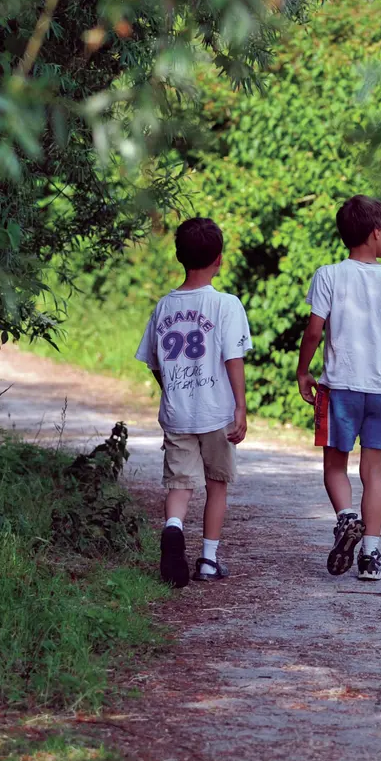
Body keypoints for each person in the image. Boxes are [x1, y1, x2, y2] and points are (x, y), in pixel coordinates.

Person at [296, 195, 381, 582]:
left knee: (335, 466)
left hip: (340, 389)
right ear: (375, 233)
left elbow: (314, 330)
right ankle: (370, 557)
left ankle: (346, 518)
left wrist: (304, 371)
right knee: (373, 471)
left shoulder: (329, 276)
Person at [136, 217, 252, 588]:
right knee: (217, 483)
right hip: (216, 413)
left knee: (179, 485)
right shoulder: (227, 305)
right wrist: (240, 406)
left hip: (178, 413)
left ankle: (172, 529)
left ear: (178, 256)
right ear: (219, 259)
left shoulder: (164, 307)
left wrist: (172, 388)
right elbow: (233, 358)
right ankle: (208, 559)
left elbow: (155, 361)